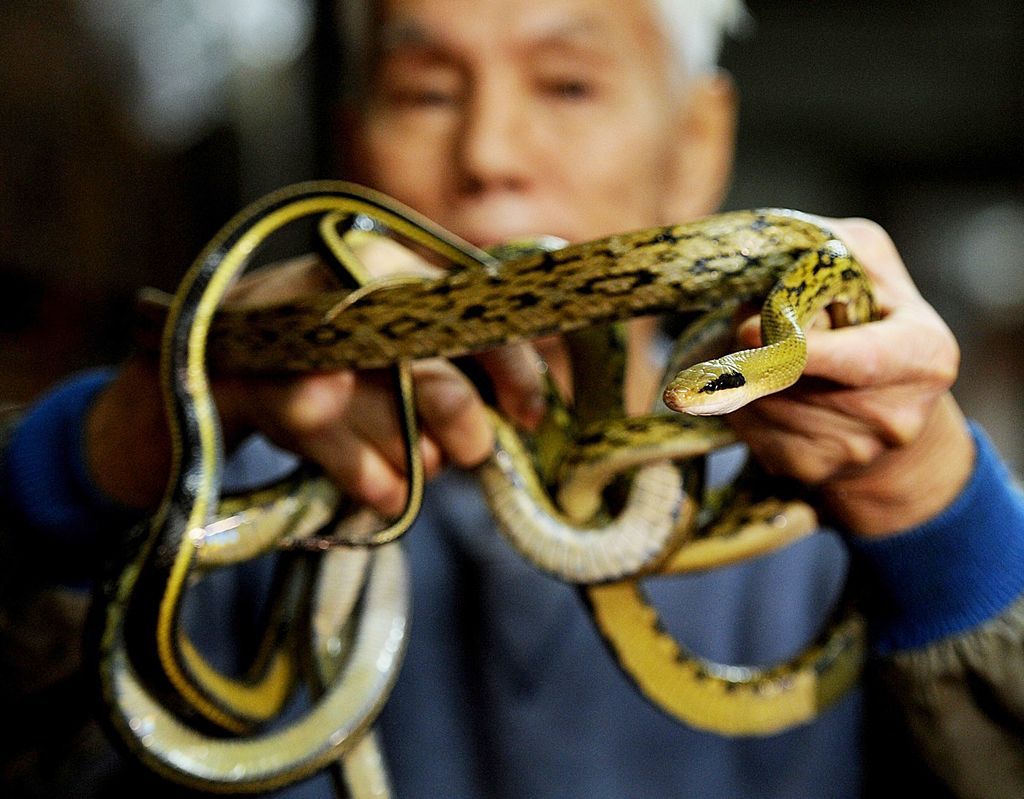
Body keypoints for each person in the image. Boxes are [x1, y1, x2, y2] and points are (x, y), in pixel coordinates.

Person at [2, 0, 1023, 797]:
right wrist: (115, 444)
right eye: (427, 91)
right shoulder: (221, 489)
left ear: (698, 144)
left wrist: (928, 498)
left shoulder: (824, 491)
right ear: (355, 153)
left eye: (568, 85)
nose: (488, 154)